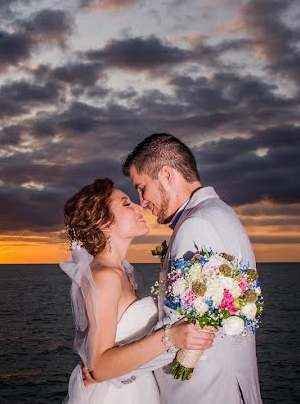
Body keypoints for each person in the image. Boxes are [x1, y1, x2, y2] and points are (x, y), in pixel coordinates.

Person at [122, 133, 262, 403]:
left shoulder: (196, 225)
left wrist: (118, 371)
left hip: (204, 390)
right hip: (230, 384)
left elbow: (178, 331)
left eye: (142, 187)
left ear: (166, 174)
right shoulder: (222, 213)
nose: (142, 201)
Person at [61, 178, 216, 404]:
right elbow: (100, 368)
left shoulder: (123, 272)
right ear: (102, 222)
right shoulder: (106, 277)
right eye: (126, 204)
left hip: (137, 388)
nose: (139, 206)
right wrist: (170, 337)